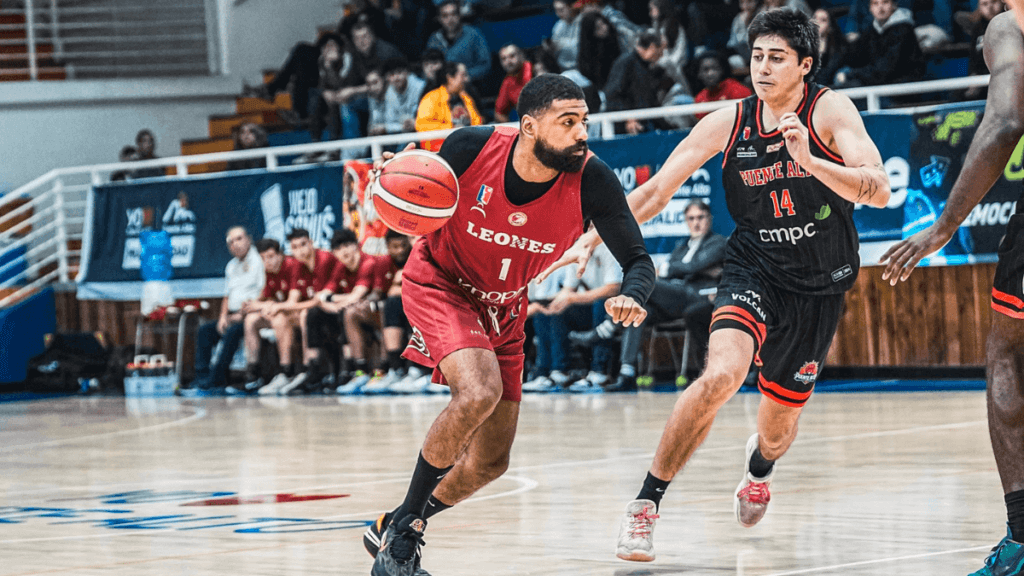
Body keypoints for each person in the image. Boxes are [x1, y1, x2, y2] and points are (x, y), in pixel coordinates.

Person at [540, 9, 890, 562]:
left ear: (805, 66)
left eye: (777, 58)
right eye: (756, 57)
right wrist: (593, 234)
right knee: (720, 375)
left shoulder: (830, 111)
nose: (764, 68)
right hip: (753, 268)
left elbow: (878, 190)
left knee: (776, 432)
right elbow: (654, 193)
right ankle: (645, 505)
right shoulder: (729, 122)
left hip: (820, 285)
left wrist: (810, 161)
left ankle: (759, 468)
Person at [364, 74, 655, 576]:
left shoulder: (593, 180)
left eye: (584, 120)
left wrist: (633, 294)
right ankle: (403, 539)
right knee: (477, 392)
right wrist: (395, 181)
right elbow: (413, 188)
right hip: (441, 282)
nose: (582, 132)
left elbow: (639, 261)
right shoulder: (470, 147)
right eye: (568, 122)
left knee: (490, 463)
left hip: (505, 308)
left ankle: (393, 522)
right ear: (528, 126)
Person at [878, 11, 1024, 575]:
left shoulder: (1010, 25)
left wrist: (944, 225)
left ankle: (1021, 538)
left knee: (1009, 351)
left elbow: (1006, 121)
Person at [572, 200, 728, 392]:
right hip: (672, 300)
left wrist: (668, 269)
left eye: (700, 217)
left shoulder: (718, 243)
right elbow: (691, 268)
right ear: (686, 221)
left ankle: (605, 329)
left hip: (696, 299)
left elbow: (689, 267)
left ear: (709, 219)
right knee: (638, 312)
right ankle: (627, 373)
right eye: (691, 218)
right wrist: (692, 269)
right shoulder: (681, 246)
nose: (696, 223)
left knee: (646, 282)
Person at [288, 228, 382, 394]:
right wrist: (333, 300)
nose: (343, 251)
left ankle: (357, 370)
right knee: (317, 314)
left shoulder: (368, 263)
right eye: (338, 249)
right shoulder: (340, 267)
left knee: (348, 312)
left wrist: (333, 300)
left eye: (347, 246)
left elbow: (355, 296)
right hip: (353, 311)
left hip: (377, 311)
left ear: (356, 246)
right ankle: (315, 370)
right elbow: (323, 295)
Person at [256, 228, 339, 395]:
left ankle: (311, 371)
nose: (299, 250)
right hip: (319, 311)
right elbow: (296, 299)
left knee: (306, 315)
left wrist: (279, 306)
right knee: (296, 315)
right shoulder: (299, 265)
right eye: (294, 247)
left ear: (311, 243)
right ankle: (290, 373)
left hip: (339, 306)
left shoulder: (323, 259)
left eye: (303, 245)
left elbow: (317, 300)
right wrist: (273, 307)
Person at [335, 228, 415, 394]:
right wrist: (367, 302)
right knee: (352, 312)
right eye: (395, 246)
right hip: (387, 308)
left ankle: (387, 370)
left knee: (388, 307)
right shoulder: (382, 262)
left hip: (412, 309)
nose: (399, 250)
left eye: (403, 245)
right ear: (387, 246)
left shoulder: (416, 257)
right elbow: (378, 292)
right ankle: (360, 371)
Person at [189, 227, 264, 391]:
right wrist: (223, 316)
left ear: (249, 239)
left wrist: (242, 314)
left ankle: (216, 378)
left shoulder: (259, 261)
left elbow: (263, 293)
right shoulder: (231, 266)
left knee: (233, 332)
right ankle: (201, 378)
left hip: (253, 315)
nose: (235, 244)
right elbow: (226, 296)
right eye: (230, 242)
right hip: (231, 315)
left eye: (239, 239)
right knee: (205, 330)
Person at [238, 238, 300, 394]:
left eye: (271, 256)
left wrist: (266, 306)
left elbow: (292, 303)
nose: (268, 262)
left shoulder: (293, 266)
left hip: (301, 311)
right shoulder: (268, 272)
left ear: (281, 255)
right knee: (251, 320)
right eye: (263, 258)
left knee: (279, 318)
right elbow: (264, 299)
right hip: (282, 311)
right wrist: (251, 304)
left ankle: (287, 372)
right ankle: (253, 373)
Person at [834, 0, 925, 88]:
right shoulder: (872, 30)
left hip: (902, 90)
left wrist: (849, 74)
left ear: (894, 6)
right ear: (870, 8)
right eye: (875, 3)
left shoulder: (903, 30)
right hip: (883, 85)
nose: (880, 8)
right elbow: (850, 55)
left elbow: (884, 71)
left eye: (885, 2)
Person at [604, 30, 670, 135]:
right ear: (652, 47)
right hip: (624, 129)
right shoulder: (625, 63)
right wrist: (628, 118)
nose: (662, 55)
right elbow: (612, 94)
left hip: (644, 126)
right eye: (662, 50)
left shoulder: (648, 67)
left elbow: (650, 101)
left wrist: (668, 128)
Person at [415, 62, 483, 151]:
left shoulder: (466, 97)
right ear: (450, 78)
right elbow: (422, 126)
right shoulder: (431, 98)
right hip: (438, 152)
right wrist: (452, 129)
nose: (466, 79)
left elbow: (478, 122)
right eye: (463, 75)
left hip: (468, 148)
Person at [425, 0, 491, 84]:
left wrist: (465, 75)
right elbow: (428, 65)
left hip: (468, 85)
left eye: (453, 14)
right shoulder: (434, 39)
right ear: (439, 19)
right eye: (445, 16)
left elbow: (485, 65)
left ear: (459, 16)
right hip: (442, 87)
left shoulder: (473, 34)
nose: (450, 19)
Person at [692, 51, 753, 120]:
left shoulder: (737, 90)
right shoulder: (700, 98)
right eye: (705, 70)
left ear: (722, 70)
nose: (710, 73)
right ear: (699, 74)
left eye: (714, 68)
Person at [576, 11, 622, 91]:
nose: (605, 28)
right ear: (590, 33)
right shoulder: (587, 52)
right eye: (598, 28)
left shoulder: (617, 39)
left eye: (604, 23)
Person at [381, 58, 427, 135]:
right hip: (402, 132)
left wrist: (416, 123)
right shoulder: (389, 93)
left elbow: (429, 118)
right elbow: (389, 122)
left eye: (399, 73)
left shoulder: (421, 87)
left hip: (422, 130)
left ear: (407, 73)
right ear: (387, 78)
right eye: (392, 74)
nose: (396, 78)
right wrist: (402, 126)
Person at [493, 44, 532, 123]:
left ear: (521, 55)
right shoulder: (507, 82)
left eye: (512, 56)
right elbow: (499, 114)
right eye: (504, 59)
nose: (508, 61)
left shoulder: (534, 70)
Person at [814, 8, 848, 86]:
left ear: (830, 26)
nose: (817, 22)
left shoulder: (839, 48)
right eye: (815, 18)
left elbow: (827, 75)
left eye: (823, 20)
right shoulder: (803, 47)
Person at [549, 0, 581, 72]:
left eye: (561, 10)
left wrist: (559, 44)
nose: (558, 14)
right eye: (556, 10)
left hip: (580, 68)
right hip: (563, 68)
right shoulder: (558, 25)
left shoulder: (583, 21)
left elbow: (579, 50)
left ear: (571, 7)